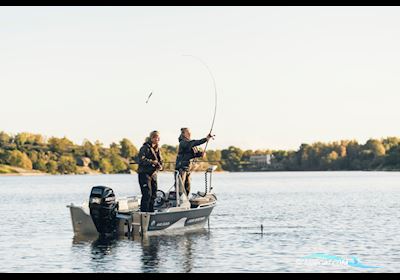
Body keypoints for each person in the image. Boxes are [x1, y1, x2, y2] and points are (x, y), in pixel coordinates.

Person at [175, 128, 213, 196]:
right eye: (188, 132)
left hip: (187, 168)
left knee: (187, 187)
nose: (190, 133)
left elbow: (192, 154)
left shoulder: (189, 143)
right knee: (180, 188)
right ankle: (179, 202)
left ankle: (186, 201)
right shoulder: (183, 142)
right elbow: (194, 143)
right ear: (183, 134)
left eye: (190, 132)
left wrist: (200, 154)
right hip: (181, 168)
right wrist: (206, 139)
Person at [137, 130, 163, 212]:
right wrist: (152, 162)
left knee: (154, 194)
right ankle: (144, 213)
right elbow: (141, 160)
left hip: (153, 174)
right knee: (147, 194)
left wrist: (160, 166)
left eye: (159, 138)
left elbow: (160, 160)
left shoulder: (157, 149)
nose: (158, 140)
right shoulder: (144, 148)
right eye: (156, 138)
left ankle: (151, 212)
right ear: (152, 138)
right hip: (144, 174)